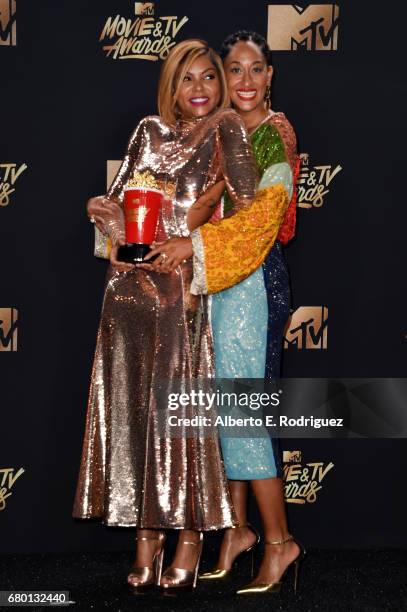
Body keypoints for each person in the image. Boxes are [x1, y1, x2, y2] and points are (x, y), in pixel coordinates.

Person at [72, 39, 259, 593]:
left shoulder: (229, 130)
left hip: (180, 291)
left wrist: (193, 243)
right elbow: (117, 197)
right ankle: (145, 536)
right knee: (132, 413)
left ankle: (190, 536)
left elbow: (248, 221)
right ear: (171, 87)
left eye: (207, 77)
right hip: (128, 290)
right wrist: (101, 212)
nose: (199, 89)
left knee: (177, 414)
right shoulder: (147, 131)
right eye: (187, 79)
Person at [146, 31, 304, 596]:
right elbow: (207, 201)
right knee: (222, 410)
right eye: (231, 69)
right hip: (224, 280)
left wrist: (195, 247)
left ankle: (281, 542)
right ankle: (237, 532)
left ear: (269, 77)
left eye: (253, 69)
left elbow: (264, 218)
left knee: (242, 414)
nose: (241, 81)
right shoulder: (228, 132)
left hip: (256, 280)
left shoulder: (271, 133)